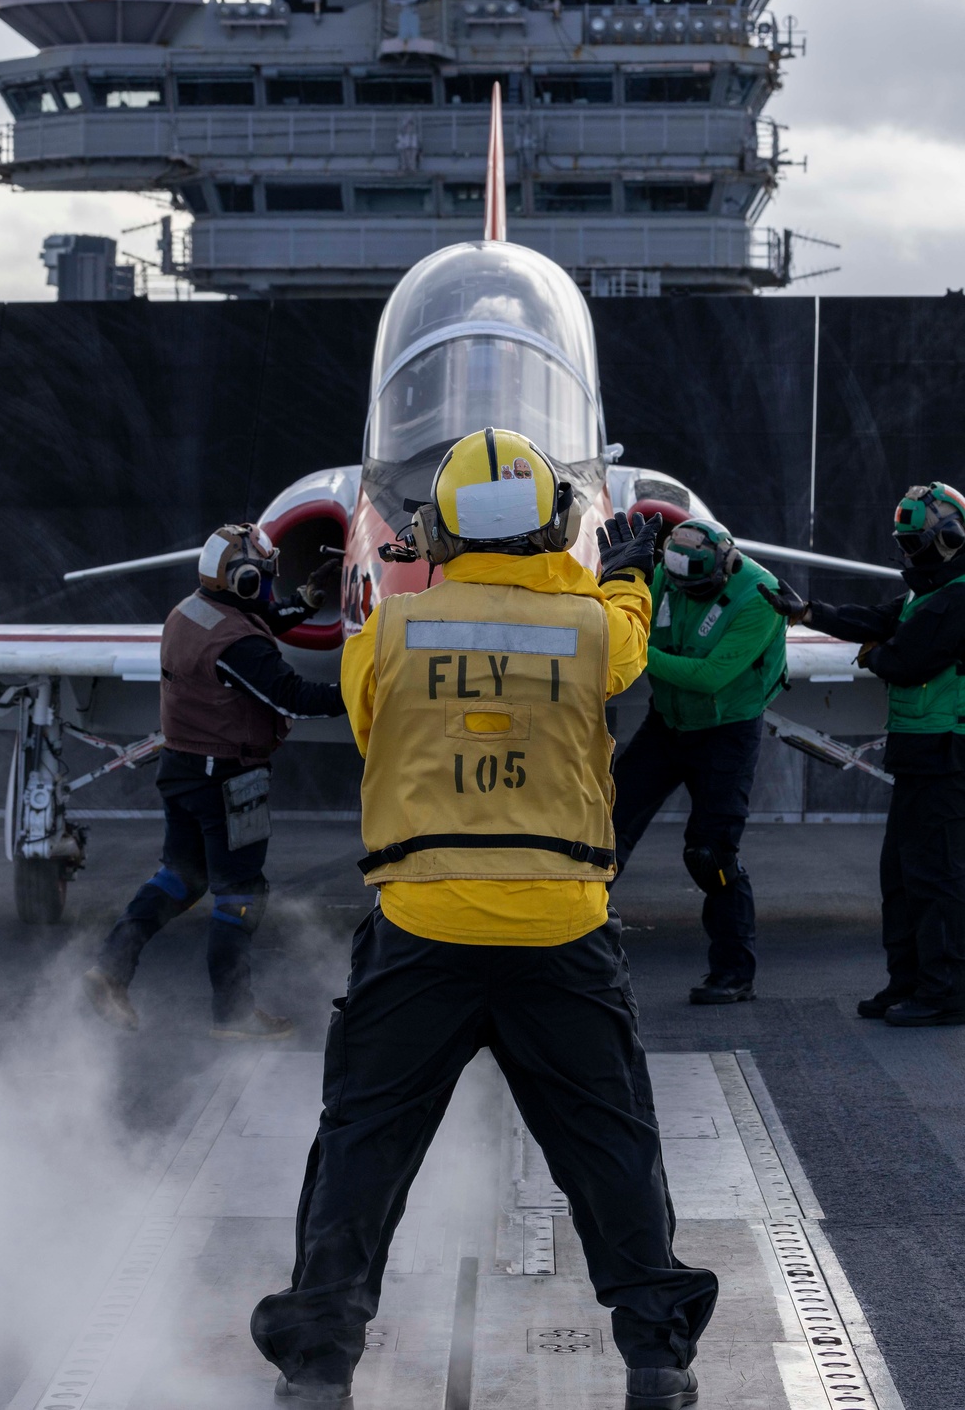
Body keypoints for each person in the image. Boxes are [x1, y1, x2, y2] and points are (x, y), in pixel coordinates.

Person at [251, 429, 717, 1410]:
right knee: (611, 1148)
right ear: (552, 525)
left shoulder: (387, 635)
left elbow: (373, 726)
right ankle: (656, 1361)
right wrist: (626, 574)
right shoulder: (592, 628)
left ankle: (320, 1366)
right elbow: (627, 650)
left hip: (422, 927)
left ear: (439, 528)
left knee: (363, 1146)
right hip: (561, 933)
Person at [83, 524, 346, 1039]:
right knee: (240, 893)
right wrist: (368, 684)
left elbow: (259, 617)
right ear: (245, 580)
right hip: (228, 782)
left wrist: (306, 601)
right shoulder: (237, 646)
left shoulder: (192, 611)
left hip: (181, 769)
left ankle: (111, 969)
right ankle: (232, 1014)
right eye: (264, 578)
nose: (269, 587)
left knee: (181, 877)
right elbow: (294, 697)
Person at [761, 481, 965, 1028]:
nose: (907, 555)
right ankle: (908, 982)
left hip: (947, 755)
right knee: (900, 875)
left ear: (947, 539)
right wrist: (807, 612)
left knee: (936, 877)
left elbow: (904, 660)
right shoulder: (929, 593)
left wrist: (881, 655)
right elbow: (879, 624)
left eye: (914, 544)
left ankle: (946, 992)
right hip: (920, 751)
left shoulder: (958, 598)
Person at [611, 519, 787, 1005]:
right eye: (676, 584)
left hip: (725, 732)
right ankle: (573, 951)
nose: (684, 593)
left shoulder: (762, 597)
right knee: (603, 827)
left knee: (712, 855)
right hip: (667, 721)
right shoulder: (670, 571)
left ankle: (734, 973)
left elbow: (710, 676)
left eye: (699, 587)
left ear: (725, 566)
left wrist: (628, 649)